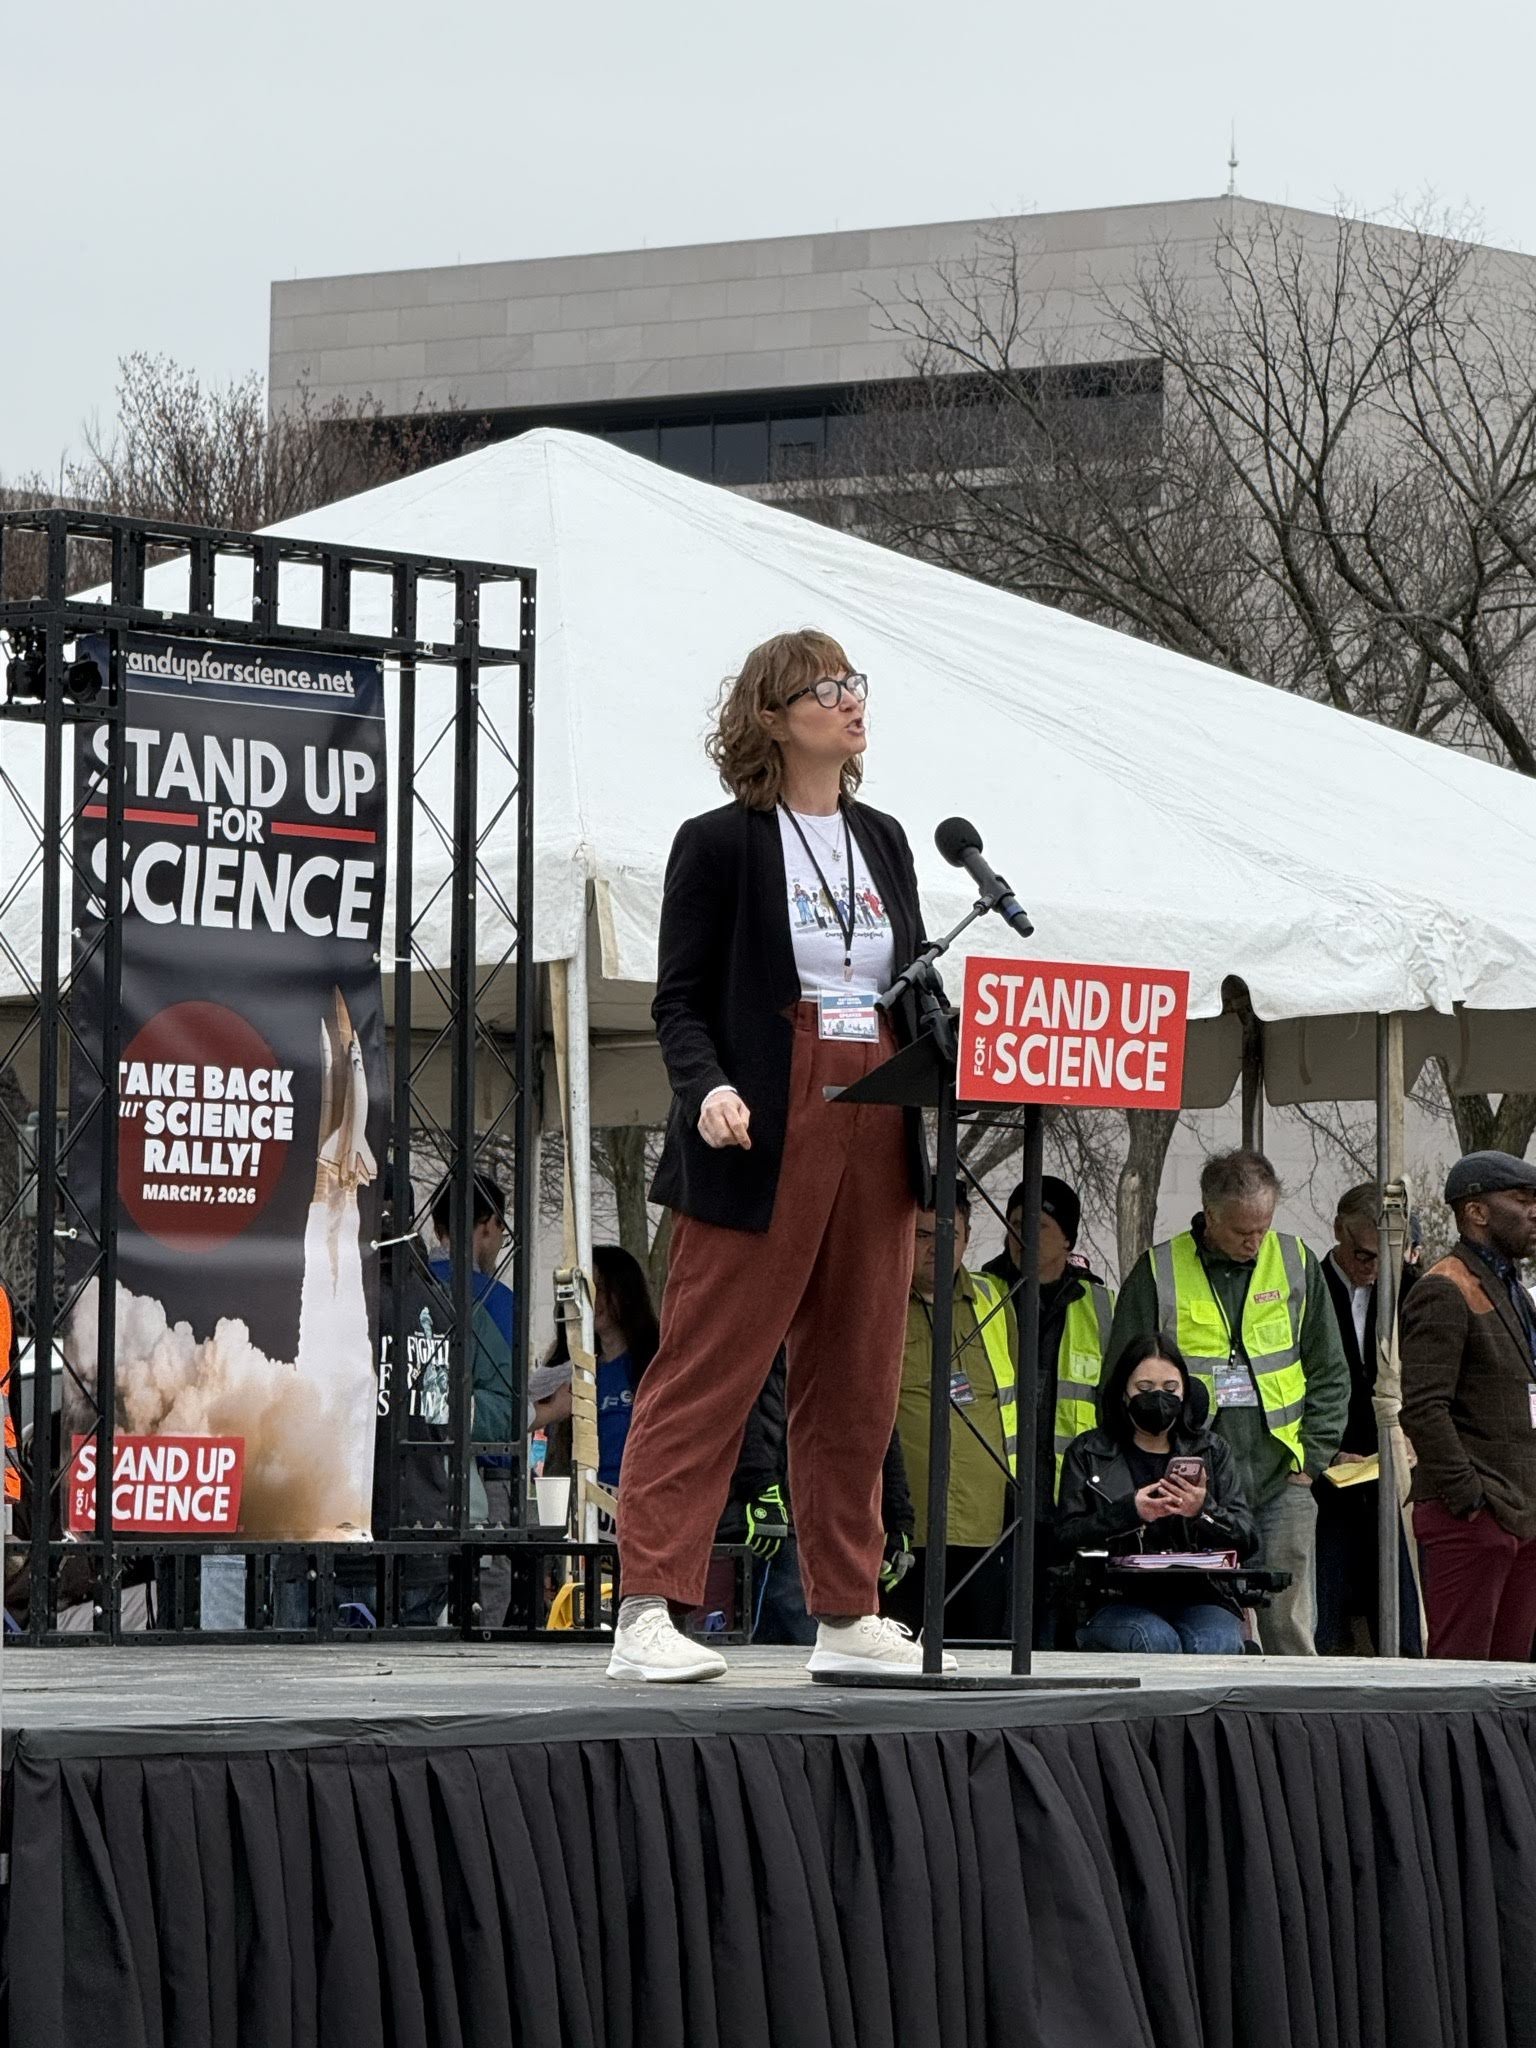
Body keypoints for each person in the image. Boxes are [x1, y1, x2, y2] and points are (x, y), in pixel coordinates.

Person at [610, 628, 943, 1682]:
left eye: (856, 684)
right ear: (771, 714)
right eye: (827, 687)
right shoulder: (719, 841)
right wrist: (707, 1087)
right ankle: (649, 1607)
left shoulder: (882, 836)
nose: (852, 702)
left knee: (859, 1373)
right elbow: (679, 997)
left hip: (880, 1103)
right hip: (762, 1113)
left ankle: (846, 1609)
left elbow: (908, 975)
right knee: (709, 1367)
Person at [1106, 1148, 1349, 1655]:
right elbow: (1119, 1379)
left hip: (1283, 1475)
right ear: (1209, 1215)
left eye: (1263, 1227)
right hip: (1192, 1483)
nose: (1254, 1242)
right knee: (1208, 1618)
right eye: (1242, 1231)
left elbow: (1330, 1371)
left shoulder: (1296, 1262)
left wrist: (1311, 1458)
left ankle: (1296, 1721)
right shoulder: (1159, 1270)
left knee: (1290, 1625)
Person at [1400, 1151, 1536, 1660]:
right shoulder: (1445, 1287)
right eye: (1521, 1200)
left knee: (1510, 1681)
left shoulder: (1510, 1288)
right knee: (1461, 1677)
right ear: (1476, 1211)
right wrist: (1471, 1502)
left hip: (1518, 1515)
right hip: (1476, 1520)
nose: (1534, 1212)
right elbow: (1423, 1409)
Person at [1058, 1335, 1258, 1653]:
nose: (1158, 1400)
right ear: (1124, 1392)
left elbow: (1247, 1537)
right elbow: (1066, 1536)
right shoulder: (1088, 1450)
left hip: (1201, 1594)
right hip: (1114, 1598)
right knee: (1155, 1639)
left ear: (1185, 1392)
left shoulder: (1212, 1450)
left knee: (1214, 1641)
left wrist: (1202, 1510)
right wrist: (1129, 1512)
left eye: (1169, 1389)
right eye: (1145, 1389)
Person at [982, 1173, 1112, 1643]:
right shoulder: (982, 1291)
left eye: (1037, 1227)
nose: (1022, 1237)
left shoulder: (1099, 1302)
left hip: (1072, 1495)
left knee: (1057, 1621)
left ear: (1068, 1239)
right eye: (1015, 1224)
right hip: (995, 1488)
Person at [891, 1185, 1018, 1642]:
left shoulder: (994, 1298)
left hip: (982, 1526)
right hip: (903, 1527)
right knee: (899, 1659)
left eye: (951, 1234)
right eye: (924, 1235)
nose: (937, 1247)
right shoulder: (880, 1299)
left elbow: (1010, 1399)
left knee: (980, 1654)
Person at [1314, 1182, 1422, 1655]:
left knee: (1399, 1609)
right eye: (1362, 1255)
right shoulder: (1311, 1289)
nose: (1373, 1269)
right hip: (1330, 1472)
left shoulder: (1407, 1292)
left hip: (1389, 1472)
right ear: (1338, 1231)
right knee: (1326, 1608)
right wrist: (1324, 1449)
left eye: (1385, 1259)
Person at [429, 1172, 517, 1625]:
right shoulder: (498, 1303)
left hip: (399, 1493)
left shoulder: (402, 1287)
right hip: (484, 1482)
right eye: (502, 1229)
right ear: (488, 1224)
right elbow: (510, 1403)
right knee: (485, 1602)